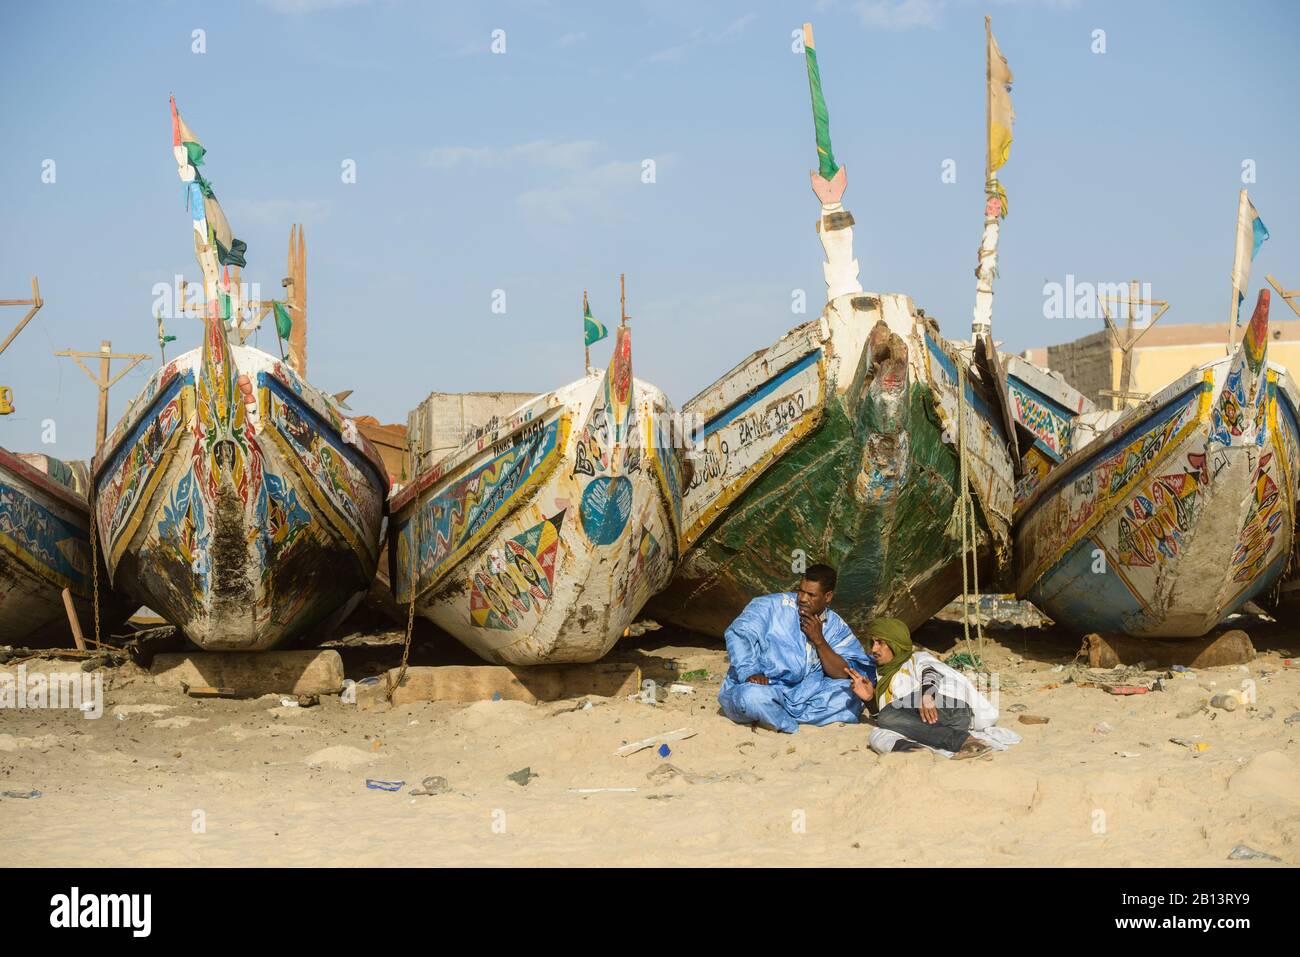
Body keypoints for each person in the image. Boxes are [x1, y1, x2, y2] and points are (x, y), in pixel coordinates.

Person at [717, 564, 876, 733]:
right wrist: (751, 672)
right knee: (751, 697)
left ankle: (775, 715)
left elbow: (845, 672)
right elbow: (739, 634)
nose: (802, 599)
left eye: (811, 595)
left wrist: (819, 641)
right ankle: (790, 726)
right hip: (766, 687)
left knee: (848, 695)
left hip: (806, 695)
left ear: (827, 597)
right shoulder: (769, 606)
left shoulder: (835, 626)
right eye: (801, 591)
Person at [843, 618, 997, 760]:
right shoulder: (884, 675)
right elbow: (894, 720)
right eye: (872, 643)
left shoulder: (917, 658)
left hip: (950, 709)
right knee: (877, 735)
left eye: (880, 642)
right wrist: (870, 699)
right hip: (931, 724)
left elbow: (931, 672)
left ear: (896, 643)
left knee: (887, 716)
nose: (874, 649)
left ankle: (964, 740)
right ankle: (916, 752)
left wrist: (927, 695)